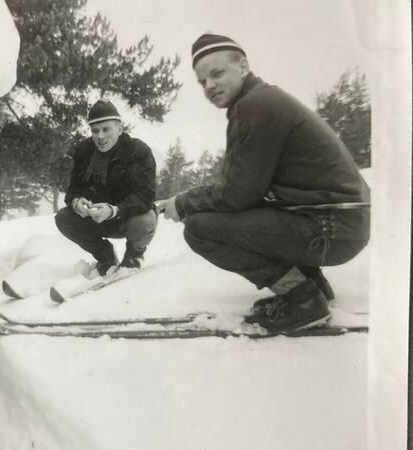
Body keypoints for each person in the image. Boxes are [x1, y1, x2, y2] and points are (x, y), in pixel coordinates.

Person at [156, 33, 370, 332]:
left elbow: (237, 195)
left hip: (331, 230)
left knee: (200, 229)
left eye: (217, 74)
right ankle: (315, 287)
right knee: (239, 215)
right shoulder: (261, 99)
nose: (209, 86)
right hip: (341, 225)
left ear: (242, 66)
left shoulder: (255, 105)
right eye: (202, 81)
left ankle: (304, 300)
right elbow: (248, 189)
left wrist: (183, 203)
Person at [55, 100, 158, 275]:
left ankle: (133, 259)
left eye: (106, 129)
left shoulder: (138, 150)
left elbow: (146, 196)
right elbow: (73, 189)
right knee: (63, 218)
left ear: (119, 128)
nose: (100, 136)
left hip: (127, 217)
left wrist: (113, 210)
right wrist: (77, 202)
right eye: (95, 130)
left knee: (145, 220)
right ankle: (106, 258)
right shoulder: (84, 150)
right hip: (97, 218)